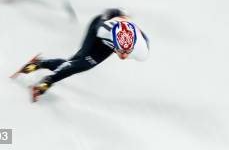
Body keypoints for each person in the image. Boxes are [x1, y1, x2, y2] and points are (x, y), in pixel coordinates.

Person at [11, 8, 150, 102]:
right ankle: (48, 80)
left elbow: (142, 40)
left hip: (114, 36)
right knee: (82, 63)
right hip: (97, 32)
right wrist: (116, 15)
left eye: (126, 52)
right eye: (120, 51)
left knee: (76, 63)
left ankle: (40, 63)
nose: (123, 56)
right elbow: (107, 15)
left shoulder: (141, 50)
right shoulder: (103, 30)